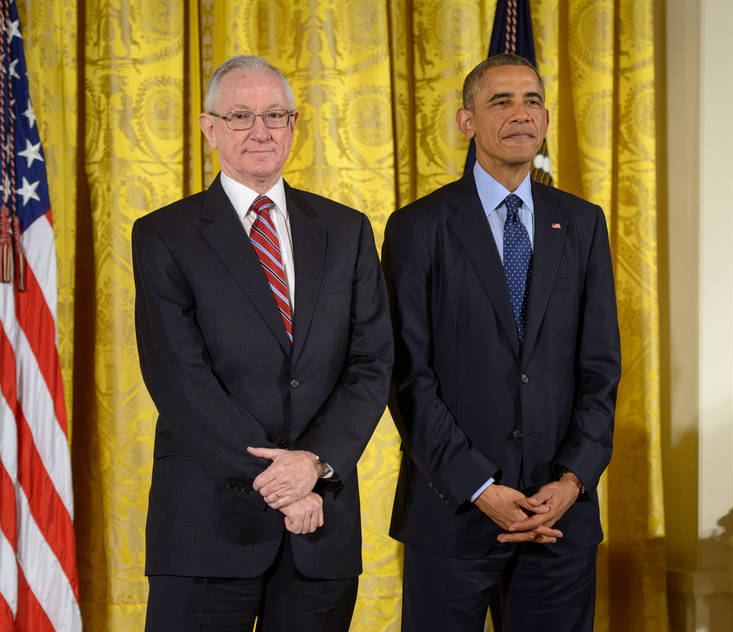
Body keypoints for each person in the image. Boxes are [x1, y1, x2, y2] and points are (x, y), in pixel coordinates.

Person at [132, 55, 392, 631]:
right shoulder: (164, 235)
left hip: (320, 527)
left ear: (294, 124)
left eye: (275, 115)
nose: (261, 131)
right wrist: (280, 484)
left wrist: (313, 465)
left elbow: (372, 362)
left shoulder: (346, 230)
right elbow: (179, 377)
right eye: (242, 115)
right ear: (209, 127)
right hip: (208, 528)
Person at [381, 53, 621, 631]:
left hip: (558, 518)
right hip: (453, 515)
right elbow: (407, 376)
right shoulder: (417, 227)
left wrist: (570, 481)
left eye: (532, 100)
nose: (521, 114)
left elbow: (600, 369)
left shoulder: (583, 223)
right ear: (467, 122)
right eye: (501, 101)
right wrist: (481, 487)